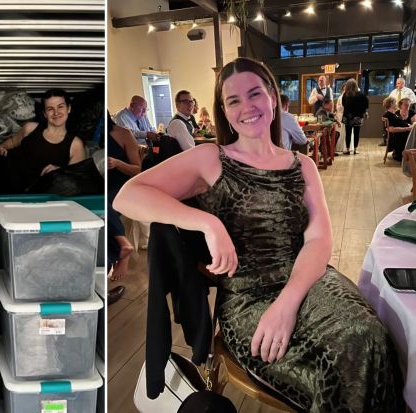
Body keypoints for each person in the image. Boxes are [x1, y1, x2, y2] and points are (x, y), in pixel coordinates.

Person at [114, 57, 404, 412]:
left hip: (309, 280)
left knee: (369, 338)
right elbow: (127, 196)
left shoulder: (303, 165)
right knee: (340, 364)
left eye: (255, 94)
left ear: (272, 96)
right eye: (233, 100)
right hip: (248, 298)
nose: (246, 107)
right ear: (223, 109)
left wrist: (287, 302)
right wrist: (207, 222)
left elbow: (319, 241)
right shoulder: (211, 158)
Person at [0, 88, 85, 196]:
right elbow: (11, 143)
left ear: (69, 108)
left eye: (60, 107)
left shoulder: (75, 144)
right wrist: (1, 146)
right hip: (1, 172)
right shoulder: (30, 128)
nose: (56, 112)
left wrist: (59, 171)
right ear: (45, 113)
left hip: (24, 190)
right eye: (50, 109)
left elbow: (76, 180)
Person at [107, 113, 141, 304]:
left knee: (104, 205)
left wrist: (118, 164)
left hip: (122, 188)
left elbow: (137, 169)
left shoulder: (123, 133)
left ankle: (123, 244)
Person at [340, 78, 368, 155]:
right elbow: (365, 104)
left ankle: (348, 149)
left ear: (348, 86)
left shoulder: (345, 95)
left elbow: (343, 105)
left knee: (348, 134)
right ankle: (355, 149)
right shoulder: (361, 94)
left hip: (347, 117)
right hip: (357, 117)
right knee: (356, 133)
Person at [383, 96, 413, 162]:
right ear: (391, 104)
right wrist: (407, 128)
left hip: (404, 133)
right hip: (399, 137)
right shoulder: (388, 115)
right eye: (395, 102)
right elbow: (390, 129)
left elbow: (401, 123)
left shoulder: (393, 114)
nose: (396, 104)